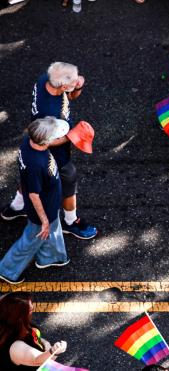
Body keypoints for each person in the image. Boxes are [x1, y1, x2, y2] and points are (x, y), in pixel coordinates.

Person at [1, 62, 97, 240]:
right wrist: (72, 136)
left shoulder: (46, 79)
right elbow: (44, 141)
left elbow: (71, 96)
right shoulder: (48, 113)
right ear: (62, 85)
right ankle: (70, 221)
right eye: (73, 82)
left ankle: (16, 206)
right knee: (69, 178)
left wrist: (78, 85)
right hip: (52, 148)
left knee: (30, 174)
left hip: (38, 138)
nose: (76, 83)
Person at [0, 118, 71, 285]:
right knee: (31, 239)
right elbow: (33, 195)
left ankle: (50, 258)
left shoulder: (29, 142)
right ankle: (7, 270)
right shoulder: (36, 164)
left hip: (50, 206)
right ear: (46, 141)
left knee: (52, 231)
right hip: (42, 212)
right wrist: (44, 220)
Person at [0, 292, 68, 370]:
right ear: (19, 316)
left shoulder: (10, 322)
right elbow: (37, 360)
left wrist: (45, 343)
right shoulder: (16, 347)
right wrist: (54, 351)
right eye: (30, 310)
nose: (32, 306)